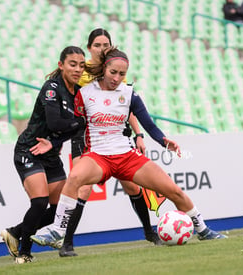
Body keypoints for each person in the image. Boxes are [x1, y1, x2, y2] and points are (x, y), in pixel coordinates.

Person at [29, 47, 227, 251]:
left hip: (127, 156)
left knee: (173, 191)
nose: (116, 78)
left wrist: (163, 141)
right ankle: (58, 231)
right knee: (75, 178)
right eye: (113, 72)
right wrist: (53, 143)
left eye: (122, 74)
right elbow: (75, 126)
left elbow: (148, 124)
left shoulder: (129, 93)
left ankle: (203, 230)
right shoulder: (85, 94)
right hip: (98, 156)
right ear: (105, 69)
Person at [58, 28, 162, 258]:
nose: (102, 49)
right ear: (89, 48)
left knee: (133, 187)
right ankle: (66, 242)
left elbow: (126, 106)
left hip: (117, 140)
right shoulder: (81, 71)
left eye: (106, 44)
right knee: (82, 187)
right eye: (97, 45)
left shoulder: (117, 70)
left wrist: (139, 134)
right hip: (87, 137)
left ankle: (149, 232)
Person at [0, 46, 87, 264]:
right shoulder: (52, 87)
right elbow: (54, 123)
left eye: (81, 65)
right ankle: (24, 254)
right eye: (72, 64)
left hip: (49, 152)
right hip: (29, 149)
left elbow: (70, 130)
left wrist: (56, 142)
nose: (77, 69)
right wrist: (82, 121)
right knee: (40, 202)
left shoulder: (78, 93)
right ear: (61, 65)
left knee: (62, 208)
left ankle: (15, 232)